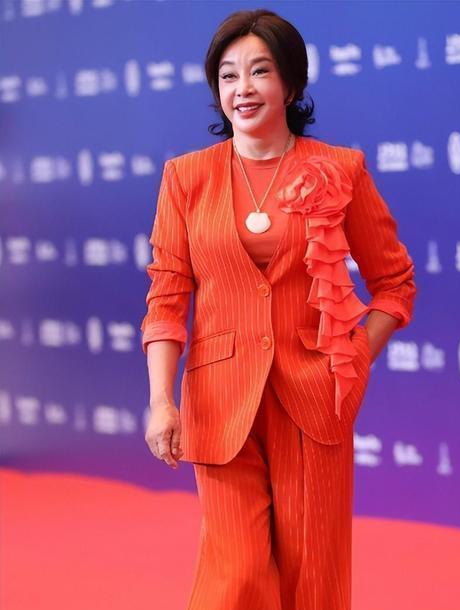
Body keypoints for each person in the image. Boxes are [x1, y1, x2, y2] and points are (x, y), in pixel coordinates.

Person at [141, 8, 417, 610]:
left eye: (260, 71)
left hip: (314, 399)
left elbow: (395, 283)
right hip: (219, 402)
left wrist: (353, 357)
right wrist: (161, 399)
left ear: (290, 84)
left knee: (312, 580)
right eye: (228, 75)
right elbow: (167, 295)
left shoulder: (340, 169)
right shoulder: (185, 178)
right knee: (235, 576)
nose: (242, 88)